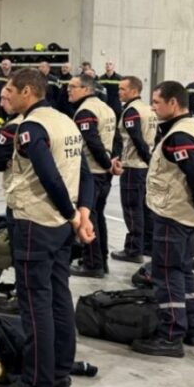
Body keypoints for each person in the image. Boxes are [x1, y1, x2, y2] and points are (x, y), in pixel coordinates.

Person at [0, 68, 94, 387]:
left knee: (35, 305)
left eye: (11, 90)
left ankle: (37, 383)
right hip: (61, 226)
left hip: (37, 222)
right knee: (58, 296)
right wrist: (83, 213)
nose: (7, 96)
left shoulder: (31, 128)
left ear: (28, 91)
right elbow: (84, 173)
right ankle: (60, 371)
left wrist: (70, 213)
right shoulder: (66, 121)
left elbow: (50, 177)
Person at [132, 81, 194, 358]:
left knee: (166, 275)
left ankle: (170, 335)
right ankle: (190, 329)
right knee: (183, 272)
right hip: (185, 213)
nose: (153, 107)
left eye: (156, 102)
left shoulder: (179, 136)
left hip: (173, 214)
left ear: (173, 103)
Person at [67, 74, 116, 278]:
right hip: (103, 172)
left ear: (86, 90)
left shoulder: (86, 111)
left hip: (94, 172)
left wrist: (106, 164)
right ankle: (101, 260)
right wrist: (111, 162)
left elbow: (93, 142)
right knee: (98, 216)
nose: (68, 89)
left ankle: (92, 263)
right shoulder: (105, 107)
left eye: (73, 86)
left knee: (89, 218)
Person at [110, 76, 158, 264]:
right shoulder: (148, 109)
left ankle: (133, 249)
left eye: (122, 89)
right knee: (146, 209)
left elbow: (137, 140)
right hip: (145, 166)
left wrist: (146, 158)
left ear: (133, 91)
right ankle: (147, 245)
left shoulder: (132, 111)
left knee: (132, 209)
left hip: (134, 166)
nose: (119, 92)